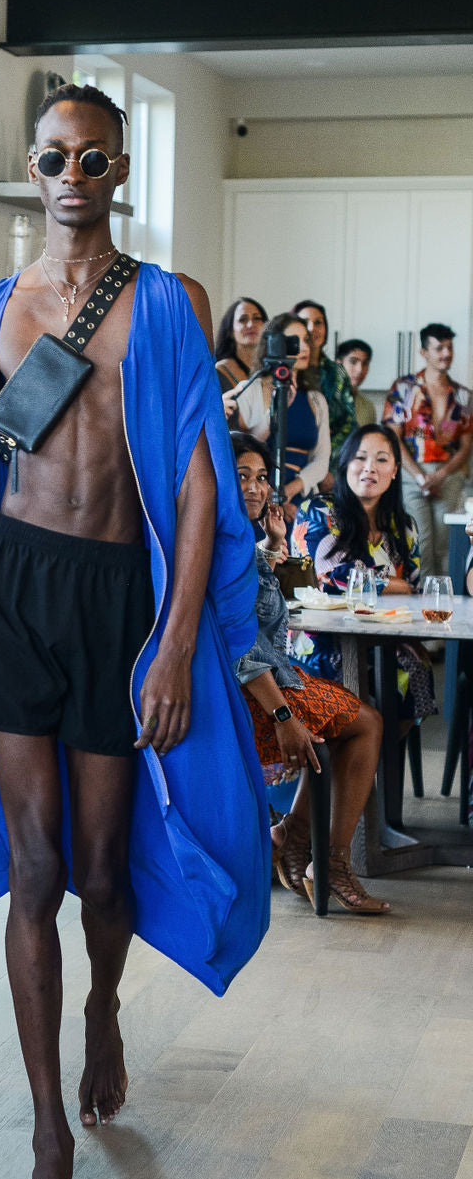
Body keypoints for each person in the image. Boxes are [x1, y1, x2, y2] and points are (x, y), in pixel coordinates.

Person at [0, 82, 269, 1179]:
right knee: (34, 865)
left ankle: (103, 1009)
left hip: (114, 600)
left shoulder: (167, 305)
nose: (72, 177)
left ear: (120, 169)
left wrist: (178, 639)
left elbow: (194, 485)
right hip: (8, 596)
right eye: (53, 158)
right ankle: (45, 1129)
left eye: (93, 159)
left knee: (102, 871)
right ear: (29, 171)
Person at [231, 433, 387, 913]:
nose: (256, 488)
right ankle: (326, 857)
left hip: (269, 677)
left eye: (261, 478)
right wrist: (283, 717)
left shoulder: (236, 537)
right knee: (365, 723)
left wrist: (273, 546)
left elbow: (249, 594)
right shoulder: (220, 539)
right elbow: (236, 639)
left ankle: (297, 840)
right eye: (242, 477)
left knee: (356, 720)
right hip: (248, 693)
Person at [292, 424, 436, 728]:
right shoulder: (318, 510)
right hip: (324, 638)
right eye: (360, 458)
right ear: (345, 464)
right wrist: (390, 584)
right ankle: (362, 762)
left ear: (395, 470)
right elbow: (331, 579)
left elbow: (414, 589)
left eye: (382, 459)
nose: (370, 468)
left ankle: (378, 764)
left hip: (384, 640)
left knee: (415, 668)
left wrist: (376, 582)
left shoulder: (404, 526)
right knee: (341, 671)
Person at [383, 322, 473, 577]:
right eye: (439, 348)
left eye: (449, 347)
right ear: (424, 352)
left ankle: (445, 604)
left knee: (446, 546)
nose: (446, 353)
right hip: (412, 475)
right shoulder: (404, 388)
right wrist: (422, 477)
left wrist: (439, 476)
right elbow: (393, 437)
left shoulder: (463, 395)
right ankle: (420, 604)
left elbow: (466, 447)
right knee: (419, 542)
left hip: (449, 477)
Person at [235, 313, 330, 520]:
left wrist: (289, 492)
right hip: (255, 494)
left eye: (306, 340)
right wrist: (277, 409)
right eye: (294, 341)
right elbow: (245, 446)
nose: (303, 347)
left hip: (299, 500)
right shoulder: (250, 389)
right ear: (275, 345)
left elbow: (321, 460)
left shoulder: (316, 400)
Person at [291, 299, 356, 467]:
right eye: (305, 323)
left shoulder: (338, 373)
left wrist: (326, 462)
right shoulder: (284, 373)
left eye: (318, 322)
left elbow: (348, 425)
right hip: (291, 460)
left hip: (332, 465)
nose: (312, 328)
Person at [214, 296, 267, 424]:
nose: (251, 325)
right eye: (243, 320)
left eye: (257, 318)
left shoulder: (274, 370)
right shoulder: (218, 372)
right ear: (231, 331)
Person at [336, 338, 376, 428]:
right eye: (353, 362)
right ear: (338, 364)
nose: (360, 370)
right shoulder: (323, 398)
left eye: (365, 363)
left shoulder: (368, 407)